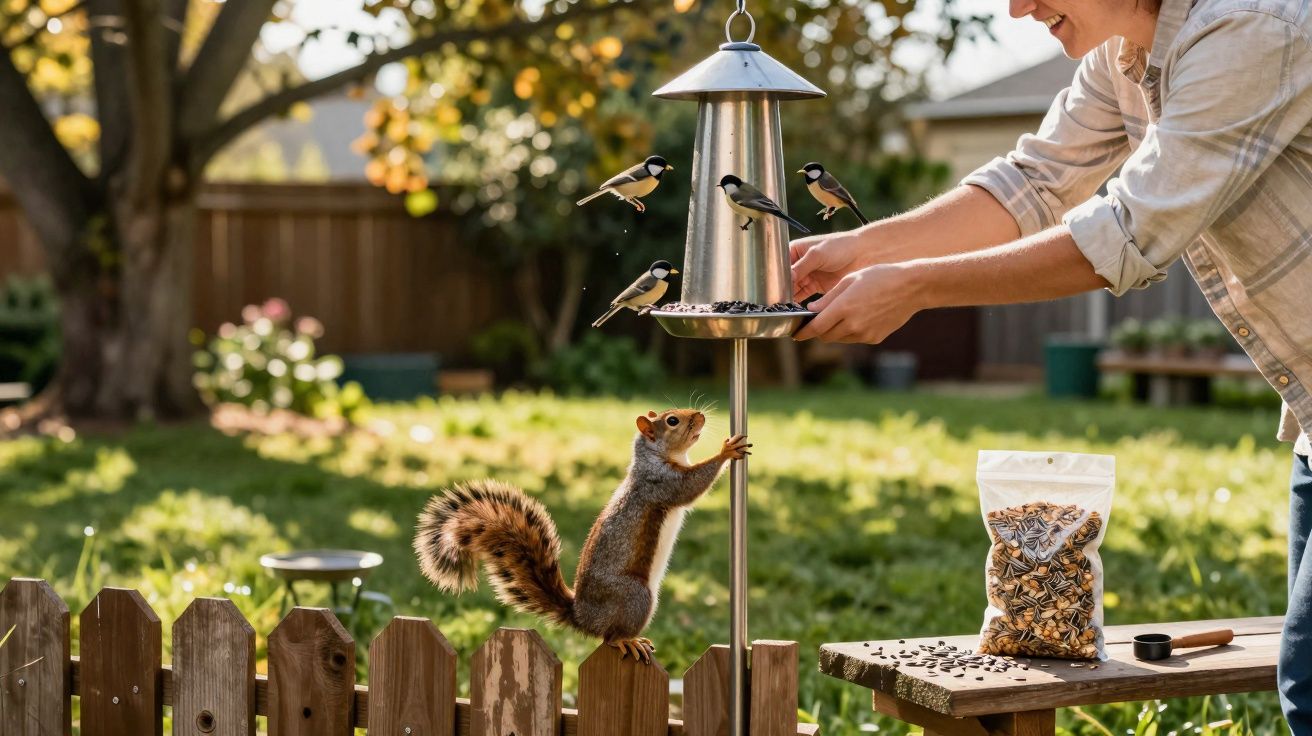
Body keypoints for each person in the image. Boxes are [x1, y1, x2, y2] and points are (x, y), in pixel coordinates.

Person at [789, 0, 1312, 731]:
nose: (1017, 7)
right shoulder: (1123, 56)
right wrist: (866, 249)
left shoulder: (1252, 29)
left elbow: (1127, 230)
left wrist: (917, 287)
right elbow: (1030, 182)